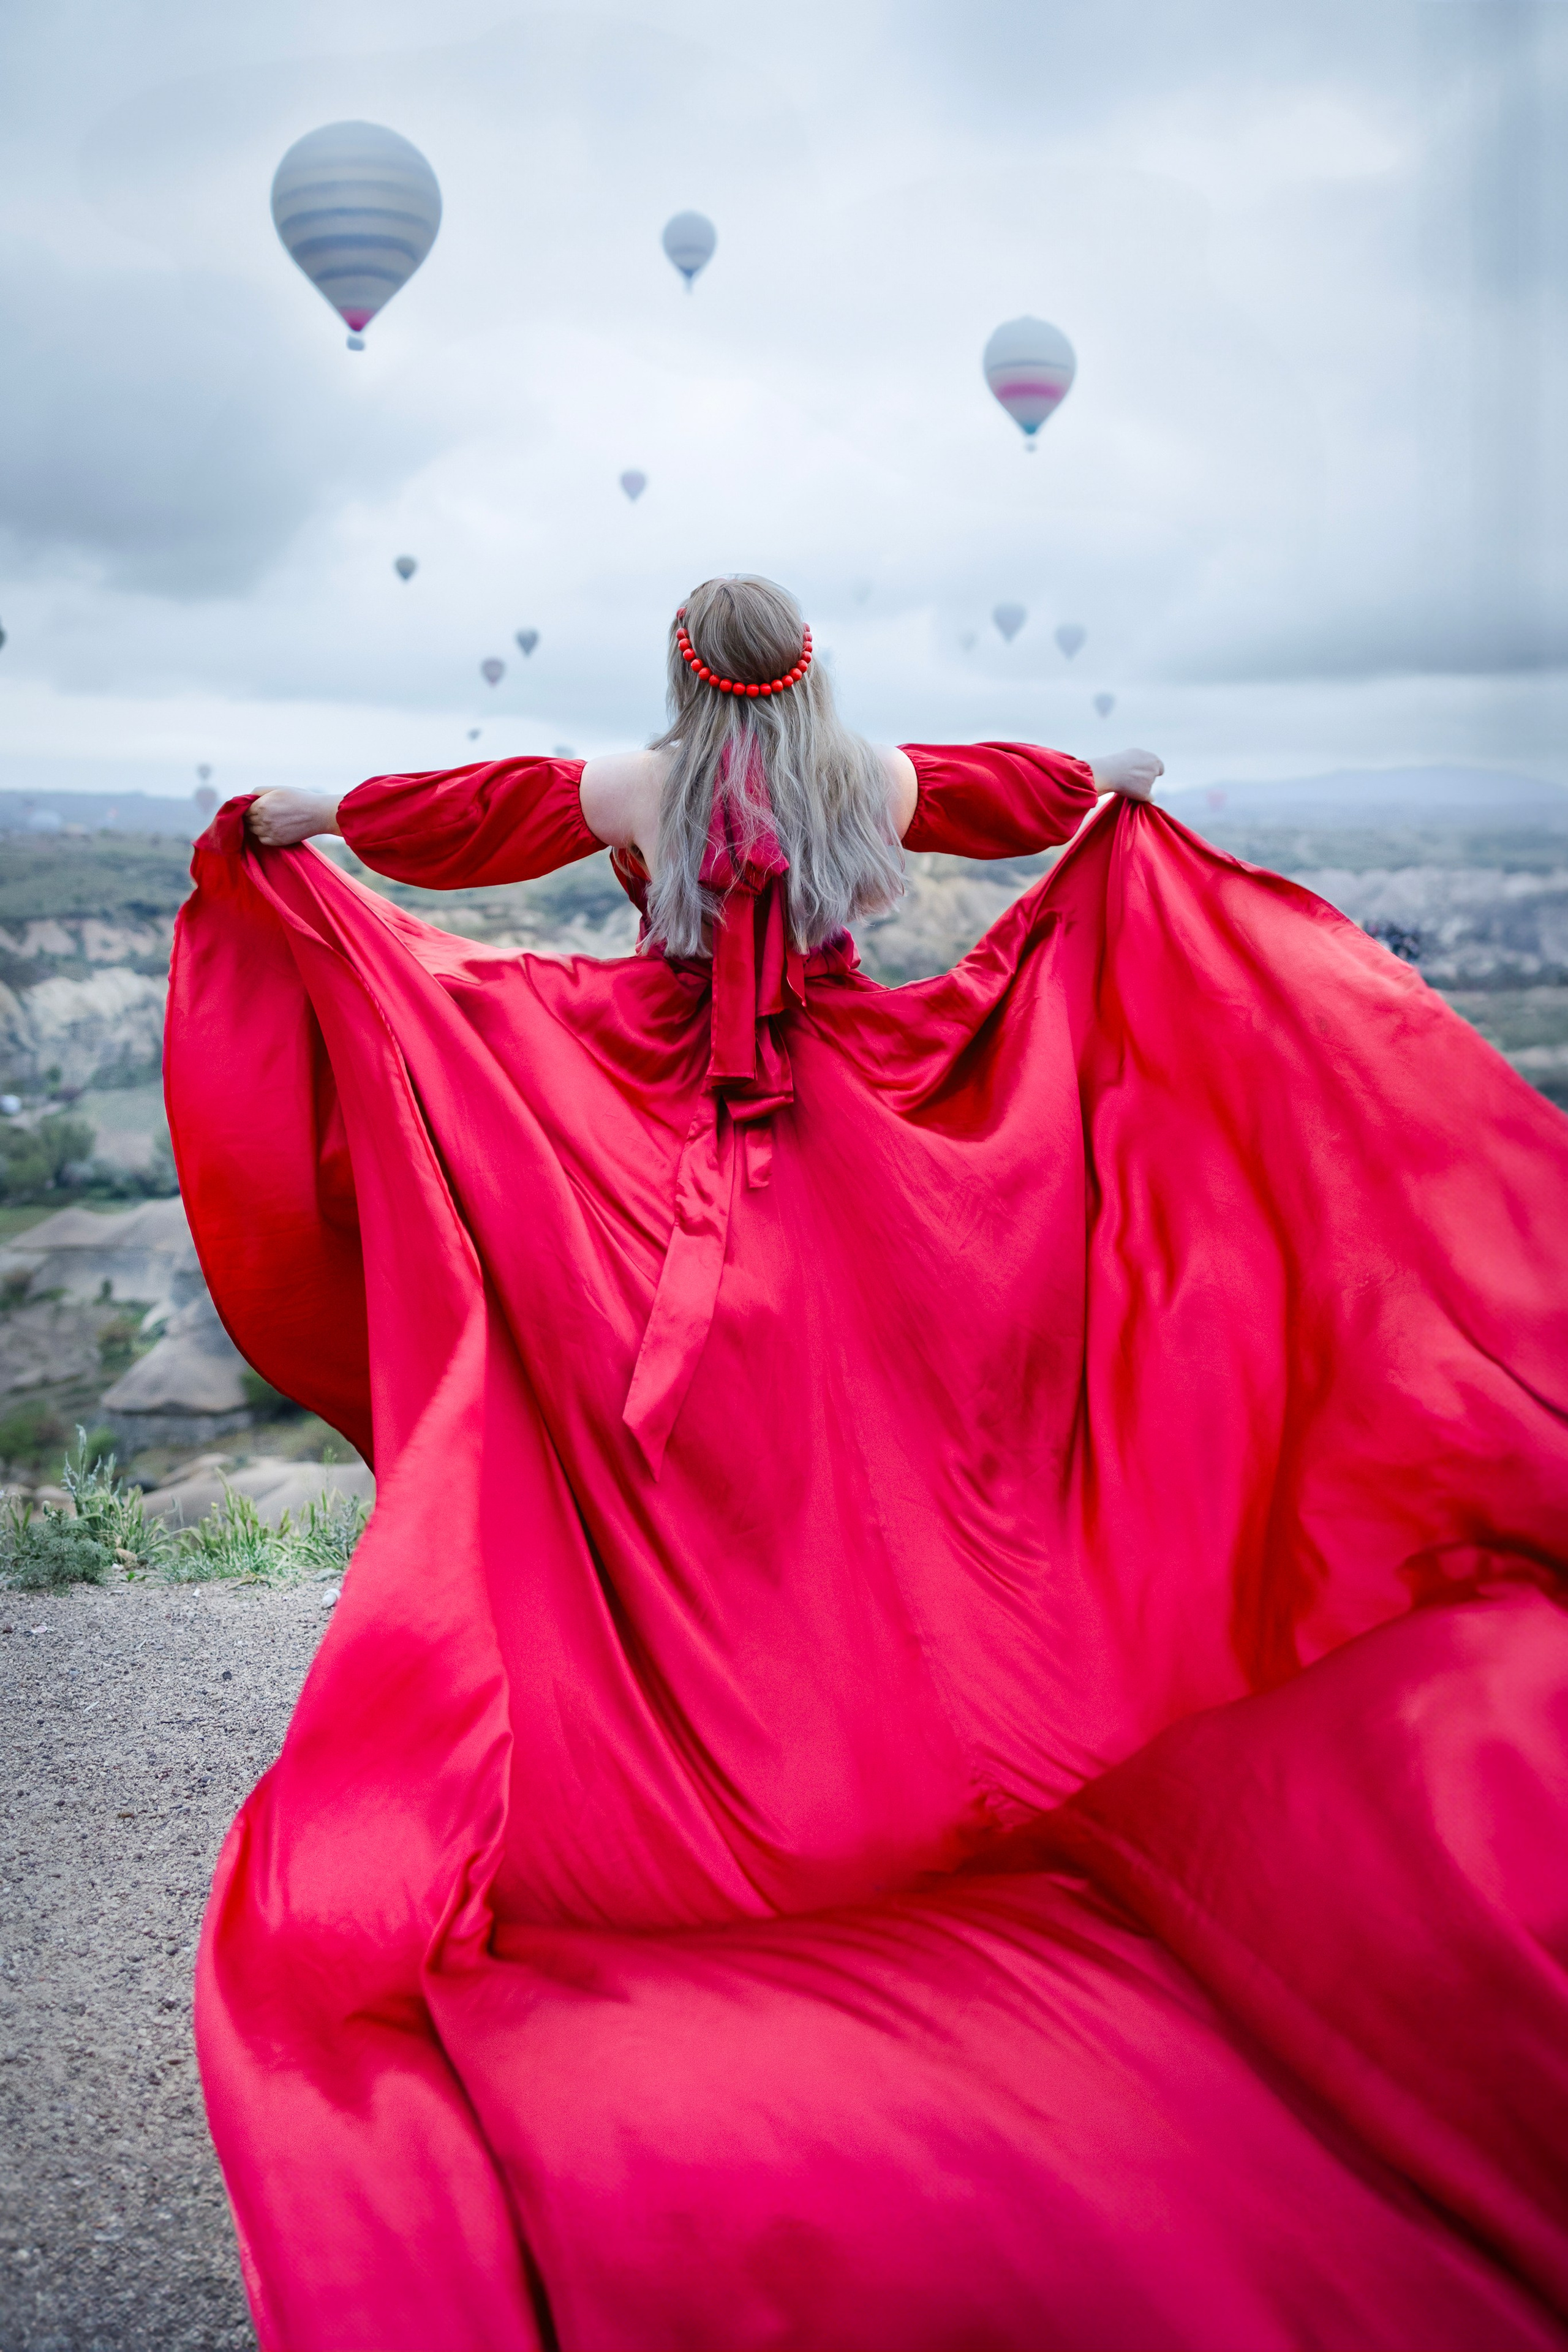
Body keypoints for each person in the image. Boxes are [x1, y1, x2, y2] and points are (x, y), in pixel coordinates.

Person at [174, 576, 1568, 2352]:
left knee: (698, 1469)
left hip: (658, 1149)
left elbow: (454, 826)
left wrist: (307, 823)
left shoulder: (629, 790)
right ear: (811, 677)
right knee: (921, 1450)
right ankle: (917, 1716)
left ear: (682, 689)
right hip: (869, 1142)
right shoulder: (878, 783)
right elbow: (1032, 788)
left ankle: (720, 1731)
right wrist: (1115, 779)